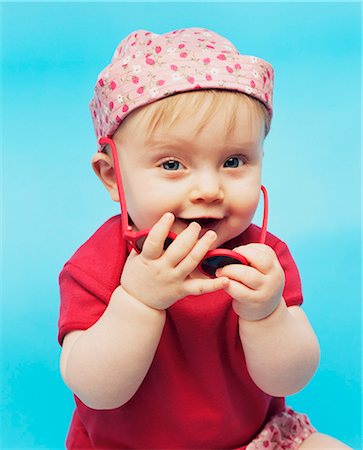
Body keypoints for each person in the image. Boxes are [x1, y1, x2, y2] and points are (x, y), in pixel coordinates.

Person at [58, 27, 350, 449]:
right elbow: (98, 391)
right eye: (173, 164)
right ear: (112, 177)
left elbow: (289, 379)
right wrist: (139, 300)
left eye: (234, 160)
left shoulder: (262, 256)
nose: (209, 189)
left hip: (253, 439)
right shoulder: (96, 266)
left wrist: (267, 314)